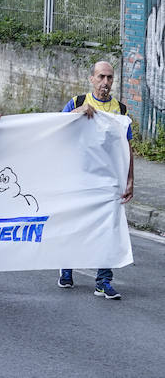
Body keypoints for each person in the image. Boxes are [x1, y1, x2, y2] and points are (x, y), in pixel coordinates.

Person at [57, 60, 133, 299]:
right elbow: (56, 128)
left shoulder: (120, 110)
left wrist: (130, 179)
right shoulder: (78, 102)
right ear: (91, 79)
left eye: (110, 78)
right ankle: (66, 266)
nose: (106, 83)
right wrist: (76, 114)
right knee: (75, 224)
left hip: (108, 178)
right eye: (101, 77)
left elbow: (127, 147)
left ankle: (103, 281)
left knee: (107, 229)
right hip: (79, 176)